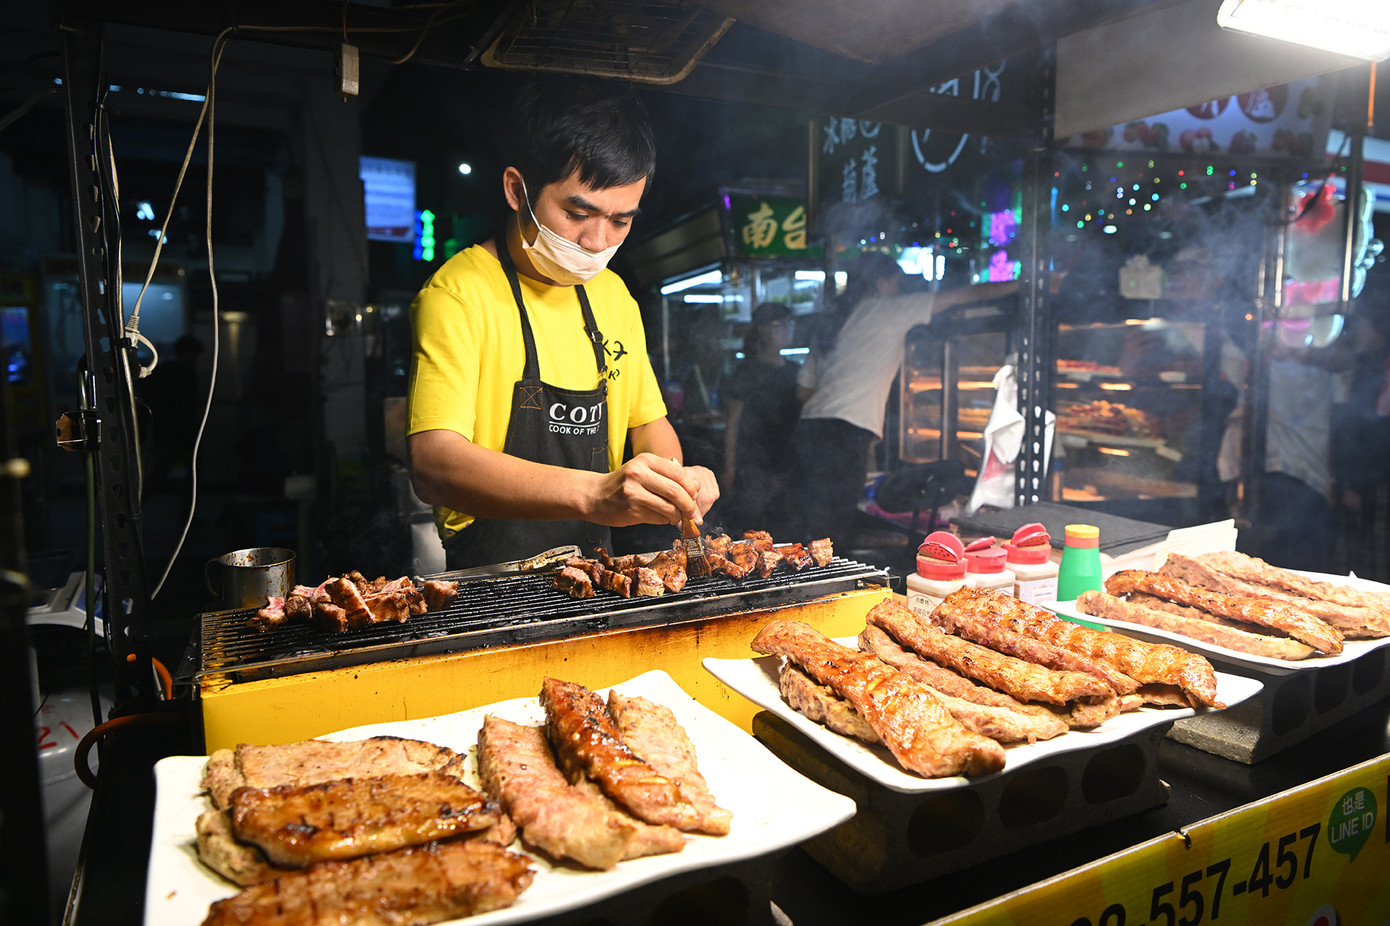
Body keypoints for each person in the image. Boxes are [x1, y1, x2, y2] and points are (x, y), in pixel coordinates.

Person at [406, 78, 718, 568]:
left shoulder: (614, 295)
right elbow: (433, 463)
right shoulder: (459, 294)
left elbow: (649, 424)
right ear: (517, 189)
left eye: (620, 221)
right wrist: (595, 494)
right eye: (578, 212)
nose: (597, 241)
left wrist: (677, 482)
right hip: (491, 585)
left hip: (597, 577)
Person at [792, 251, 1017, 543]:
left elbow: (803, 391)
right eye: (896, 284)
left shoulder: (833, 324)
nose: (898, 291)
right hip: (845, 435)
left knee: (812, 520)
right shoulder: (888, 309)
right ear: (882, 282)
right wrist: (1023, 284)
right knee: (835, 527)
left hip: (809, 429)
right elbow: (964, 295)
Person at [722, 302, 800, 534]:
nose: (788, 329)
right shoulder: (747, 371)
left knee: (785, 530)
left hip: (787, 463)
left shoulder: (796, 371)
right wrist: (729, 468)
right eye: (780, 324)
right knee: (748, 528)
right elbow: (733, 423)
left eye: (790, 323)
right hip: (753, 463)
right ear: (762, 330)